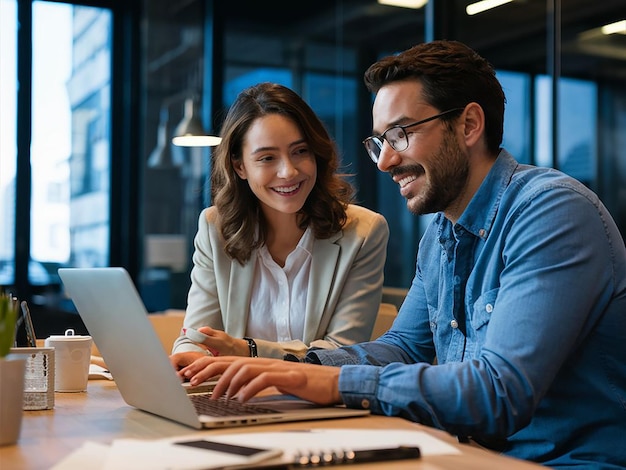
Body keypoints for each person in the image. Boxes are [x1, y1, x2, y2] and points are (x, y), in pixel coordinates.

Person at [178, 41, 626, 468]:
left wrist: (328, 382)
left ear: (469, 125)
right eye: (379, 142)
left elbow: (499, 393)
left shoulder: (551, 211)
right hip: (468, 455)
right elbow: (403, 347)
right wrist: (288, 367)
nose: (385, 161)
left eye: (400, 135)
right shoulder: (441, 235)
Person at [170, 82, 389, 365]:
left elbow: (342, 353)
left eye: (300, 151)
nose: (288, 171)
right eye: (267, 158)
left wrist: (247, 350)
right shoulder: (215, 228)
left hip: (318, 401)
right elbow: (196, 337)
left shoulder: (363, 233)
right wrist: (187, 360)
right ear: (240, 166)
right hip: (232, 398)